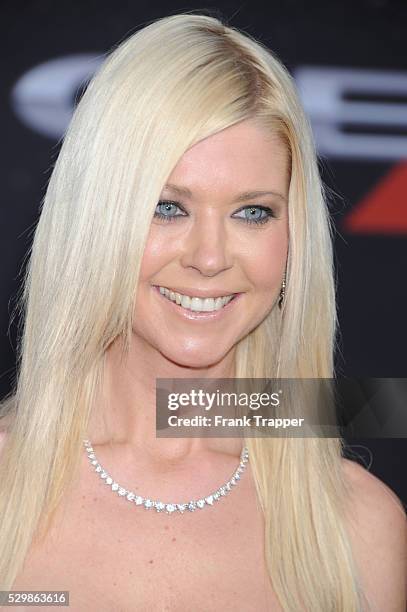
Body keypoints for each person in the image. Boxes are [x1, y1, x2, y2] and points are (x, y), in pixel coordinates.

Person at [0, 12, 405, 612]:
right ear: (96, 220)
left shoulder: (361, 530)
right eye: (168, 207)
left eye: (252, 212)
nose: (210, 258)